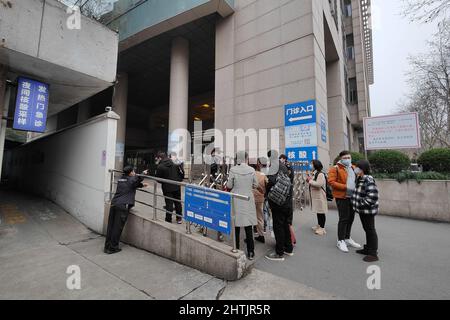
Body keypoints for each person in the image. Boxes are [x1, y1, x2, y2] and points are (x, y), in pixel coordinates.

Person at [105, 166, 149, 254]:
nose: (134, 173)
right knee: (117, 227)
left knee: (111, 226)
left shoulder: (121, 179)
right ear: (130, 173)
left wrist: (141, 185)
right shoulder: (131, 180)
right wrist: (143, 173)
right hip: (122, 205)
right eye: (133, 172)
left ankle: (107, 246)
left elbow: (132, 184)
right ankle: (113, 248)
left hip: (114, 204)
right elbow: (136, 179)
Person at [226, 151, 258, 260]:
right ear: (246, 158)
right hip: (248, 199)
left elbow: (229, 185)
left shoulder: (233, 170)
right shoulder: (252, 170)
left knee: (236, 225)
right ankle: (251, 252)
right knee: (248, 226)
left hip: (237, 199)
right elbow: (256, 184)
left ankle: (237, 249)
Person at [328, 151, 362, 253]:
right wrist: (346, 186)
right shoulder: (335, 168)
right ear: (341, 158)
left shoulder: (353, 167)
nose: (347, 159)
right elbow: (331, 181)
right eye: (345, 157)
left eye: (349, 157)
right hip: (342, 197)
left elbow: (359, 177)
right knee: (343, 218)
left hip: (352, 197)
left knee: (351, 218)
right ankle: (340, 240)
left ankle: (347, 238)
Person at [265, 150, 294, 261]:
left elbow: (272, 181)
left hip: (278, 201)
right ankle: (289, 248)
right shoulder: (284, 166)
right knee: (285, 225)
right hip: (287, 200)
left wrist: (267, 189)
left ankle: (279, 252)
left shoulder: (274, 166)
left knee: (278, 226)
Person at [351, 160, 380, 262]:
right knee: (367, 229)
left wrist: (360, 204)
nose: (355, 168)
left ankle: (373, 253)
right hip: (363, 211)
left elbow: (373, 197)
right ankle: (368, 248)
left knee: (370, 230)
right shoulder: (361, 178)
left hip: (367, 210)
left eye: (357, 167)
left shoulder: (368, 179)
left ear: (362, 169)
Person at [156, 151, 184, 224]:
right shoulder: (175, 163)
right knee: (178, 202)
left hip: (167, 187)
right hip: (176, 186)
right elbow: (182, 173)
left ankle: (168, 219)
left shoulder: (160, 166)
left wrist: (164, 182)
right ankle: (179, 218)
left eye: (157, 159)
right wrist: (178, 180)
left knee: (169, 203)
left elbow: (158, 179)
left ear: (159, 158)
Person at [307, 160, 328, 236]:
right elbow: (313, 182)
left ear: (315, 165)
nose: (310, 165)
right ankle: (319, 225)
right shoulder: (315, 173)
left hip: (320, 195)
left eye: (311, 164)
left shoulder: (320, 174)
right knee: (318, 211)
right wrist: (310, 180)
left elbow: (319, 184)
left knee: (321, 212)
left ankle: (322, 228)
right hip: (316, 196)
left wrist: (310, 181)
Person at [249, 159, 268, 244]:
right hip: (261, 198)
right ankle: (261, 235)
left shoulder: (251, 174)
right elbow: (267, 185)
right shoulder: (264, 175)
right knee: (260, 217)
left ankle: (250, 236)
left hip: (251, 198)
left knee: (250, 217)